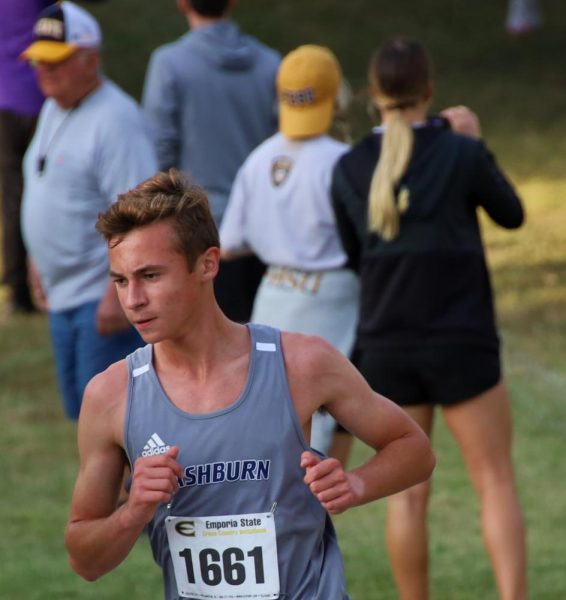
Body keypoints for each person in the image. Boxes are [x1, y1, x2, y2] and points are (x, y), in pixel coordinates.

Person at [65, 169, 435, 599]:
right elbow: (84, 561)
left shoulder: (302, 363)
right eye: (121, 280)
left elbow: (414, 449)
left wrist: (356, 485)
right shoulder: (112, 395)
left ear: (207, 264)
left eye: (150, 276)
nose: (133, 300)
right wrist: (133, 513)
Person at [330, 38, 528, 600]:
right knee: (494, 481)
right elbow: (511, 214)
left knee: (407, 496)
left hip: (387, 342)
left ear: (373, 95)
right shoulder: (460, 152)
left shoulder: (348, 166)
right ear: (430, 90)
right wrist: (475, 144)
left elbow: (352, 257)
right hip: (462, 338)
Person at [220, 45, 358, 461]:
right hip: (330, 298)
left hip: (274, 293)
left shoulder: (259, 158)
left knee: (270, 418)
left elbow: (229, 243)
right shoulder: (343, 161)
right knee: (318, 428)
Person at [20, 1, 155, 420]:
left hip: (99, 299)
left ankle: (131, 490)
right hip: (63, 295)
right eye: (41, 61)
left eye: (57, 62)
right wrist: (35, 259)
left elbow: (140, 216)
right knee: (84, 418)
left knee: (115, 423)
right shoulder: (52, 107)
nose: (44, 71)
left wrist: (117, 293)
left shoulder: (116, 120)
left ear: (91, 60)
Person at [142, 0, 280, 323]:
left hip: (203, 232)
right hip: (264, 230)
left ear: (182, 3)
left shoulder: (169, 64)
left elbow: (160, 153)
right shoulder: (271, 63)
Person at [0, 0, 54, 314]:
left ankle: (17, 289)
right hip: (38, 97)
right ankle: (42, 282)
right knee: (44, 192)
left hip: (5, 100)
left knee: (12, 197)